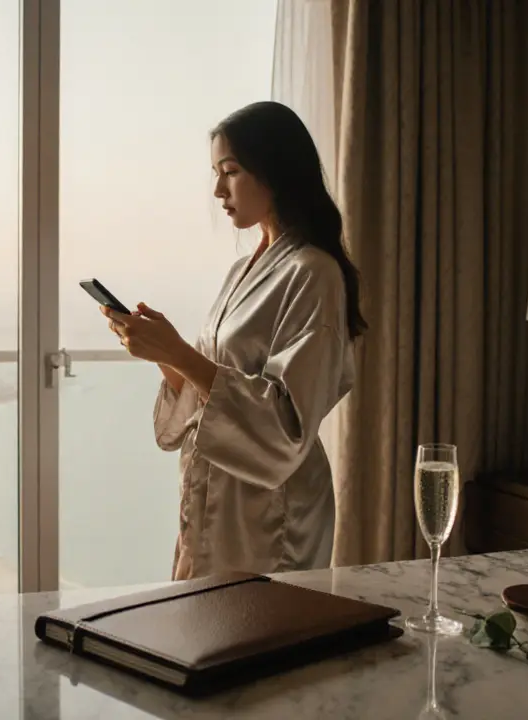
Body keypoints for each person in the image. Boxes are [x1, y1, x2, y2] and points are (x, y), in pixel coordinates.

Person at [101, 100, 366, 581]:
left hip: (273, 511)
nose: (219, 190)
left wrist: (177, 352)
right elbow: (208, 389)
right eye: (216, 174)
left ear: (275, 171)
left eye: (232, 171)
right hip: (217, 497)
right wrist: (162, 353)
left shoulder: (314, 274)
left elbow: (288, 424)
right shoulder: (242, 270)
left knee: (260, 641)